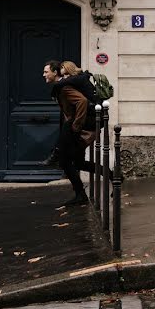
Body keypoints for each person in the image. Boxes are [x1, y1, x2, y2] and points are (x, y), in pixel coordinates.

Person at [41, 59, 97, 206]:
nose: (43, 74)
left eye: (46, 71)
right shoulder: (63, 86)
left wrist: (76, 126)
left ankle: (80, 194)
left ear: (55, 72)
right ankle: (111, 177)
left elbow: (82, 102)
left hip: (78, 129)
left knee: (66, 161)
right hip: (76, 128)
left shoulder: (64, 88)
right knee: (77, 162)